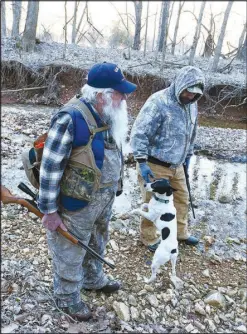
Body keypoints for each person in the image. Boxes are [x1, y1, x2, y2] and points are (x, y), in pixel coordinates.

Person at [37, 62, 137, 321]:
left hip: (101, 199)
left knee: (97, 240)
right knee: (70, 248)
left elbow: (113, 155)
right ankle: (66, 298)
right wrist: (48, 210)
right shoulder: (70, 118)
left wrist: (116, 188)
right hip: (75, 203)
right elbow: (50, 166)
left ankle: (93, 279)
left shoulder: (109, 115)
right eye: (119, 92)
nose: (124, 97)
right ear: (102, 95)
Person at [130, 65, 205, 252]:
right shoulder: (158, 101)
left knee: (182, 199)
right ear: (180, 85)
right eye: (188, 91)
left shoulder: (192, 105)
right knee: (152, 203)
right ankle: (149, 237)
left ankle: (180, 232)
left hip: (177, 164)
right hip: (154, 164)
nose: (190, 96)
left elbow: (191, 133)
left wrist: (187, 156)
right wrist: (141, 160)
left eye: (195, 93)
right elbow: (139, 133)